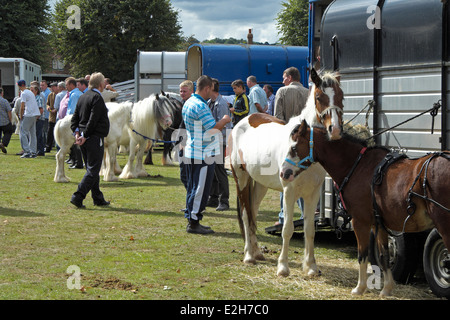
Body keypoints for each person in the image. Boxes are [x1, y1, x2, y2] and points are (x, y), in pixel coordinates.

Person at [182, 75, 231, 234]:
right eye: (211, 89)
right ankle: (194, 221)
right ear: (207, 88)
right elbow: (212, 129)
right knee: (200, 189)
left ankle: (191, 215)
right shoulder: (201, 106)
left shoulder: (189, 102)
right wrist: (224, 120)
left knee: (193, 187)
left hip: (192, 150)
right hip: (203, 153)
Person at [273, 67, 310, 225]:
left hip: (287, 140)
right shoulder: (309, 92)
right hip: (305, 141)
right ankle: (304, 214)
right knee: (302, 177)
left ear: (289, 77)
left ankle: (283, 216)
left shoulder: (282, 91)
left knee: (286, 178)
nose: (282, 81)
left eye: (283, 77)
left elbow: (278, 118)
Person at [70, 72, 110, 209]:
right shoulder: (97, 98)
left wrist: (77, 134)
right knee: (93, 169)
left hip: (83, 137)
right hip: (93, 137)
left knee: (90, 168)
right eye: (104, 82)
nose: (105, 85)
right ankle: (78, 195)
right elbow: (93, 120)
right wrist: (85, 135)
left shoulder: (83, 97)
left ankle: (97, 197)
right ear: (100, 84)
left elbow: (75, 118)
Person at [206, 78, 232, 212]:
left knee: (220, 171)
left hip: (219, 141)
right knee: (213, 170)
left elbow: (223, 126)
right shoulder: (210, 102)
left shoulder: (220, 104)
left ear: (211, 88)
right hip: (212, 141)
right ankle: (214, 197)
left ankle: (224, 200)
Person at [177, 80, 194, 192]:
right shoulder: (184, 103)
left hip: (189, 144)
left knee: (186, 176)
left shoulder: (192, 104)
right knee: (184, 176)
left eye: (184, 91)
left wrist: (183, 142)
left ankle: (193, 201)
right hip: (182, 142)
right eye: (180, 91)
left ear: (191, 91)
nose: (182, 93)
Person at [17, 80, 40, 158]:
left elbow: (22, 106)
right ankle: (33, 151)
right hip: (34, 114)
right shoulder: (30, 92)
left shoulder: (23, 93)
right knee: (32, 134)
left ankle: (27, 151)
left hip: (28, 114)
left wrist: (21, 116)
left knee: (23, 132)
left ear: (19, 86)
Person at [31, 84, 45, 156]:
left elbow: (41, 109)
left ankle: (40, 150)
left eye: (32, 90)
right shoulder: (33, 98)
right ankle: (37, 149)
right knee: (35, 134)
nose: (31, 91)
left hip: (39, 119)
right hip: (35, 119)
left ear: (36, 91)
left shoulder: (38, 98)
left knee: (38, 135)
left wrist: (36, 118)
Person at [45, 82, 58, 152]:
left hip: (58, 117)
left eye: (53, 87)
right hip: (51, 117)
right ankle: (48, 147)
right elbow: (47, 104)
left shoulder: (59, 95)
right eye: (51, 87)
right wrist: (48, 107)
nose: (52, 88)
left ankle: (58, 147)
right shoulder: (50, 95)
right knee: (50, 133)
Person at [0, 88, 13, 154]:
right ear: (2, 93)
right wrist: (10, 119)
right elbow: (9, 111)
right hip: (5, 121)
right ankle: (3, 143)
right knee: (8, 131)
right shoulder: (4, 101)